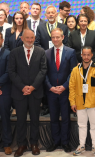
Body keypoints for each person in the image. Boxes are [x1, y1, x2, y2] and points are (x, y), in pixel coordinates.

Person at [8, 29, 47, 157]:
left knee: (35, 119)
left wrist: (33, 87)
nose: (30, 40)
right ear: (22, 38)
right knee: (20, 120)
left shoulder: (41, 52)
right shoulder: (14, 53)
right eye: (27, 38)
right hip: (20, 93)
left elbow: (43, 71)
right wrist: (23, 87)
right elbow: (11, 72)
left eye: (32, 38)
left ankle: (34, 144)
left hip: (35, 92)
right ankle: (21, 144)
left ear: (34, 38)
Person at [44, 28, 77, 153]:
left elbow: (73, 72)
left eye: (58, 37)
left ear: (63, 37)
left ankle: (65, 142)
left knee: (65, 118)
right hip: (51, 92)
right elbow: (44, 73)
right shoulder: (46, 53)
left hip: (65, 91)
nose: (55, 39)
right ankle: (55, 141)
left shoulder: (71, 52)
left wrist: (64, 86)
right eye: (53, 37)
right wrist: (50, 87)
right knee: (53, 119)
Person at [69, 46, 95, 156]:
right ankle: (81, 145)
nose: (86, 56)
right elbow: (72, 87)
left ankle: (94, 146)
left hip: (93, 103)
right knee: (82, 125)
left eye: (88, 54)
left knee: (94, 125)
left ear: (92, 55)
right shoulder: (76, 70)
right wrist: (72, 102)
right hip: (79, 103)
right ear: (81, 55)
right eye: (84, 54)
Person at [0, 32, 13, 155]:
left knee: (5, 117)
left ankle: (7, 143)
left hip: (4, 90)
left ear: (2, 39)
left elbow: (9, 72)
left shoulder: (8, 53)